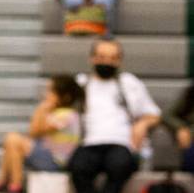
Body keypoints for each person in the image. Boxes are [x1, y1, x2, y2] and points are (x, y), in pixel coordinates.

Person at [68, 39, 161, 193]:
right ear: (92, 58)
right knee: (78, 167)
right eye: (102, 57)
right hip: (88, 143)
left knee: (119, 166)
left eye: (113, 58)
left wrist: (142, 124)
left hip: (121, 144)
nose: (107, 62)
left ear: (119, 61)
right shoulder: (81, 83)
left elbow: (154, 115)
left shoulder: (129, 83)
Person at [0, 75, 84, 193]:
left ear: (65, 97)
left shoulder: (66, 115)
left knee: (13, 139)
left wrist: (41, 109)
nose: (46, 95)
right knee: (10, 141)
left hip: (54, 161)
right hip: (47, 155)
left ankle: (16, 184)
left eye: (50, 91)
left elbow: (34, 131)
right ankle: (4, 180)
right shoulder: (58, 113)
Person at [163, 83, 194, 174]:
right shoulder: (191, 92)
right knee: (190, 157)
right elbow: (167, 115)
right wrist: (181, 128)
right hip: (191, 142)